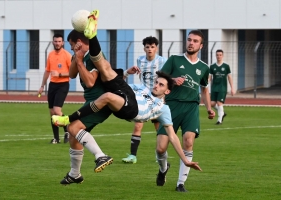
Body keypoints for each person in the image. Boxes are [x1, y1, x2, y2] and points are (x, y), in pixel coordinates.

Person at [52, 10, 202, 186]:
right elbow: (119, 82)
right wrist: (124, 74)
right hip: (126, 95)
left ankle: (98, 153)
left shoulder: (164, 108)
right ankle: (75, 173)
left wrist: (184, 160)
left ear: (167, 92)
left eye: (161, 85)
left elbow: (173, 137)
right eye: (157, 83)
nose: (156, 85)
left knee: (93, 108)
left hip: (131, 108)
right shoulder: (144, 89)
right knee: (107, 75)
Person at [158, 30, 215, 192]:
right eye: (189, 40)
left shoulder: (204, 68)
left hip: (191, 107)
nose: (191, 43)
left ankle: (180, 184)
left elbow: (204, 89)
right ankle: (163, 169)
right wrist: (172, 80)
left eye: (195, 41)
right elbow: (160, 78)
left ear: (201, 46)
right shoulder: (175, 60)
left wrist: (209, 109)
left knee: (188, 141)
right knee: (161, 148)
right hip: (171, 106)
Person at [59, 29, 114, 185]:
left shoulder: (96, 56)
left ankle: (100, 156)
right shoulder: (81, 56)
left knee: (73, 127)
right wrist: (77, 57)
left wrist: (81, 60)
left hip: (101, 102)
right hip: (91, 101)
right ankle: (74, 174)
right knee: (73, 136)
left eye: (71, 45)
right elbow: (71, 74)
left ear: (79, 42)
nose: (70, 48)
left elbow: (90, 82)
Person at [122, 36, 167, 164]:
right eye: (147, 47)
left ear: (156, 48)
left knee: (159, 127)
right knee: (138, 124)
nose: (150, 49)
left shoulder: (162, 61)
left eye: (152, 47)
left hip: (158, 98)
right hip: (144, 97)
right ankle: (132, 156)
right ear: (144, 48)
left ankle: (160, 155)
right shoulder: (140, 60)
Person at [38, 33, 71, 144]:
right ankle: (56, 138)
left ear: (63, 43)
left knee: (57, 110)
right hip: (52, 85)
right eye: (55, 41)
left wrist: (60, 74)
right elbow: (47, 71)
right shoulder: (51, 55)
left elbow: (72, 73)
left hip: (63, 84)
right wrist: (42, 85)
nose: (57, 43)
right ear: (53, 42)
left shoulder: (67, 55)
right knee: (52, 113)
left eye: (59, 41)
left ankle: (67, 130)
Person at [209, 49, 235, 125]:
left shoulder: (226, 66)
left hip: (222, 87)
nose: (218, 56)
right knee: (212, 104)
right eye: (217, 55)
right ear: (215, 56)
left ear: (222, 56)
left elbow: (229, 77)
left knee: (219, 103)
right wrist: (206, 85)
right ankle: (222, 113)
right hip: (214, 87)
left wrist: (232, 88)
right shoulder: (212, 66)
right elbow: (210, 77)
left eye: (220, 55)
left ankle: (219, 120)